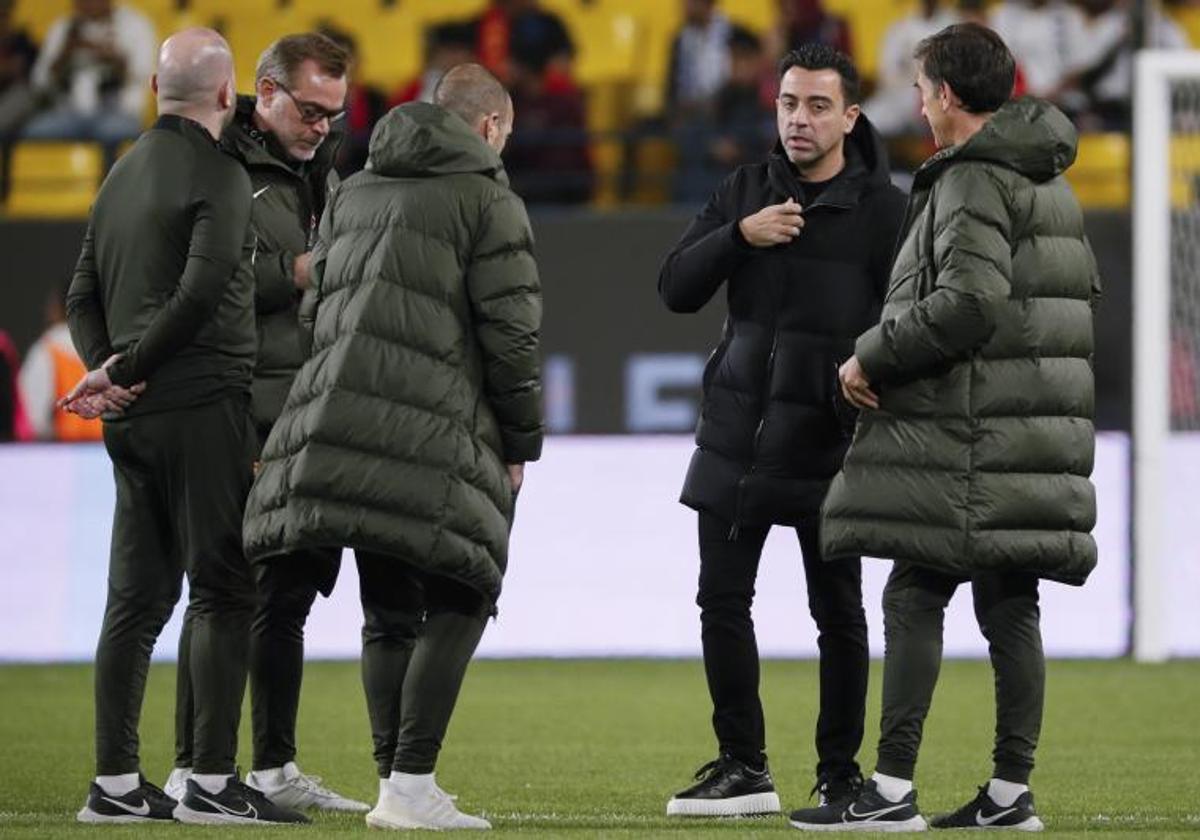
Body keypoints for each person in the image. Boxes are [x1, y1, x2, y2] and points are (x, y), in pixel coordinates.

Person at [799, 23, 1100, 831]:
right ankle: (1009, 794)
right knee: (1010, 600)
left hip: (969, 424)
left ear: (951, 97)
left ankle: (891, 790)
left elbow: (970, 301)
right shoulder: (1046, 175)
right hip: (1031, 419)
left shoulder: (973, 179)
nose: (920, 101)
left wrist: (870, 358)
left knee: (914, 590)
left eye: (925, 86)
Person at [242, 63, 543, 831]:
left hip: (337, 419)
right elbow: (510, 334)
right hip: (433, 426)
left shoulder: (355, 187)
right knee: (466, 591)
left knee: (389, 610)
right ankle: (407, 785)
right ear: (490, 127)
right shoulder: (488, 198)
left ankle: (397, 788)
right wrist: (519, 441)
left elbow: (316, 316)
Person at [62, 27, 307, 826]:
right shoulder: (221, 173)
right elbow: (202, 295)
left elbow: (81, 294)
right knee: (224, 587)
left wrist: (108, 372)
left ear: (155, 91)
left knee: (134, 601)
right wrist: (122, 372)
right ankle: (207, 779)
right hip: (203, 406)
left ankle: (116, 786)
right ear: (227, 92)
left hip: (132, 425)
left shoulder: (122, 171)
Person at [658, 44, 906, 818]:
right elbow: (674, 288)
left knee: (838, 613)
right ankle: (743, 766)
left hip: (830, 444)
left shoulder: (886, 211)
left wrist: (868, 374)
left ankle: (838, 774)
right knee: (721, 601)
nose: (800, 120)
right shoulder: (742, 191)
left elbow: (905, 322)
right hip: (736, 436)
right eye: (789, 104)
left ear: (851, 116)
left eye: (818, 106)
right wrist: (740, 236)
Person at [165, 32, 366, 814]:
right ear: (267, 90)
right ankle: (193, 767)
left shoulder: (326, 173)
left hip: (309, 412)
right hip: (239, 408)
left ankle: (275, 767)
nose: (321, 126)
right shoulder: (218, 164)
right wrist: (301, 273)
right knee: (222, 589)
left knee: (289, 598)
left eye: (333, 114)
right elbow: (201, 278)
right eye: (310, 110)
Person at [24, 0, 155, 158]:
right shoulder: (64, 27)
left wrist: (115, 60)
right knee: (36, 132)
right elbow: (39, 81)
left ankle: (110, 182)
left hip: (118, 110)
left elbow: (147, 74)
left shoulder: (135, 24)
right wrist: (65, 53)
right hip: (68, 112)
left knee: (114, 132)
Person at [18, 280, 102, 441]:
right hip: (109, 451)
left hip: (63, 453)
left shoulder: (46, 351)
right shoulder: (109, 346)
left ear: (56, 309)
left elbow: (32, 418)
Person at [865, 0, 958, 137]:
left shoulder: (956, 26)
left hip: (942, 99)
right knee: (862, 122)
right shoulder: (901, 28)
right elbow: (887, 73)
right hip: (901, 97)